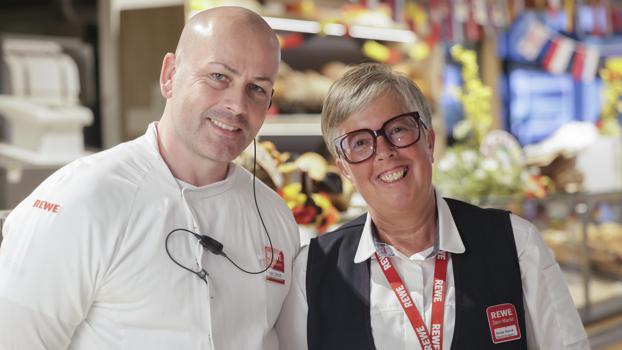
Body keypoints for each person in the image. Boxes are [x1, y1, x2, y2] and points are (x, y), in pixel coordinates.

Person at [0, 7, 300, 350]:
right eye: (218, 77)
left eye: (257, 89)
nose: (237, 105)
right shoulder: (82, 197)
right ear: (170, 75)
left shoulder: (275, 218)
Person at [276, 63, 590, 349]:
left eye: (397, 130)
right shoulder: (313, 269)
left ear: (429, 141)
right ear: (344, 169)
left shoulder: (517, 244)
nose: (384, 152)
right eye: (360, 142)